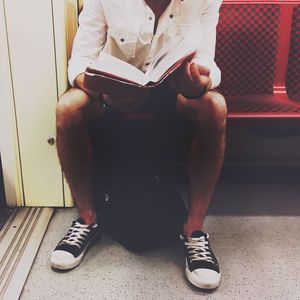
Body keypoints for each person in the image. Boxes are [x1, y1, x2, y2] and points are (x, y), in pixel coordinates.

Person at [50, 0, 227, 290]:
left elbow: (207, 57)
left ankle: (193, 231)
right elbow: (80, 61)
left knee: (215, 108)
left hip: (174, 89)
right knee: (67, 110)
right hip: (113, 88)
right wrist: (102, 92)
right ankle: (87, 219)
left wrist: (201, 82)